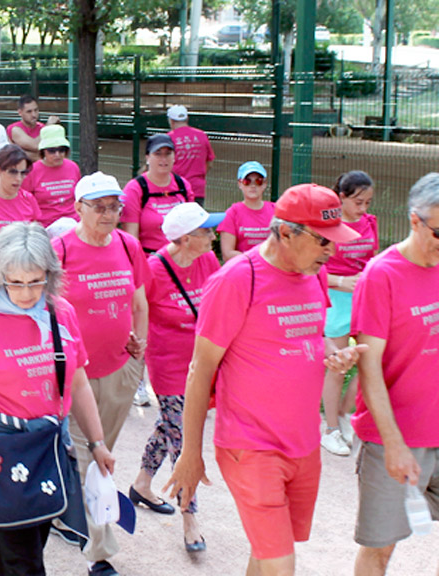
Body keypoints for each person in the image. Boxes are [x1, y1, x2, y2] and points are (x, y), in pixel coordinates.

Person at [165, 184, 366, 576]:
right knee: (281, 566)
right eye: (324, 241)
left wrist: (332, 355)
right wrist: (191, 454)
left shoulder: (314, 274)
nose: (332, 252)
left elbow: (311, 334)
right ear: (286, 232)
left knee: (268, 552)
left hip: (303, 444)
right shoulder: (237, 280)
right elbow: (199, 369)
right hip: (251, 446)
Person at [0, 221, 114, 573]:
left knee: (18, 556)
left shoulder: (61, 313)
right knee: (23, 562)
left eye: (35, 281)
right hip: (1, 452)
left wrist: (97, 443)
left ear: (50, 273)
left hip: (49, 449)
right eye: (15, 281)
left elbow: (77, 383)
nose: (27, 292)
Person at [51, 172, 149, 576]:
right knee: (90, 454)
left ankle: (61, 512)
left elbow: (140, 302)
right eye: (100, 206)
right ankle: (100, 549)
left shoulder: (129, 245)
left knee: (100, 450)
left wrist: (138, 347)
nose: (109, 214)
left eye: (115, 206)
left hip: (119, 369)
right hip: (75, 372)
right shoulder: (60, 249)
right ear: (78, 208)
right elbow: (44, 310)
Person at [350, 172, 439, 575]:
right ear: (414, 220)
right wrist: (394, 444)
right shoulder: (381, 276)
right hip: (398, 439)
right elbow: (369, 370)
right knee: (380, 550)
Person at [131, 202, 223, 553]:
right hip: (168, 365)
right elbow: (138, 312)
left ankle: (141, 483)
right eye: (206, 233)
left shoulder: (207, 260)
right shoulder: (153, 270)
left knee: (169, 427)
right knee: (183, 440)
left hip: (200, 361)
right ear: (185, 239)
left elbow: (215, 304)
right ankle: (189, 516)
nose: (213, 237)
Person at [321, 170, 378, 457]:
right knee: (337, 367)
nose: (363, 208)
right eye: (358, 202)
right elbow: (315, 267)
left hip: (364, 298)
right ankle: (330, 430)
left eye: (367, 202)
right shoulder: (328, 226)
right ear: (341, 197)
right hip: (336, 300)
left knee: (372, 359)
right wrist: (342, 282)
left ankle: (344, 413)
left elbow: (371, 260)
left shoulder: (370, 222)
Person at [121, 134, 194, 253]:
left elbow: (193, 227)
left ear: (174, 156)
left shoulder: (183, 185)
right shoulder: (135, 188)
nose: (163, 159)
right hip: (150, 258)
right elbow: (131, 238)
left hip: (182, 257)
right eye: (158, 154)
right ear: (147, 157)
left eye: (168, 153)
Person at [24, 125, 81, 226]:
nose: (57, 154)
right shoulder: (33, 171)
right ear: (43, 151)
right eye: (51, 150)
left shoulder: (73, 167)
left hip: (73, 222)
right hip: (45, 224)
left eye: (61, 149)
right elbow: (26, 202)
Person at [218, 161, 274, 261]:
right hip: (244, 269)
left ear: (264, 184)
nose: (253, 186)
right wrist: (257, 259)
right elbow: (227, 254)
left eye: (258, 181)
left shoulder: (276, 211)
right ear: (240, 184)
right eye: (247, 181)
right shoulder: (232, 213)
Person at [0, 144, 41, 229]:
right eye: (13, 172)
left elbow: (36, 234)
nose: (18, 178)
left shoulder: (28, 199)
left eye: (23, 173)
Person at [166, 105, 214, 205]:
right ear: (187, 119)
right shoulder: (201, 135)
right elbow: (209, 162)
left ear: (171, 121)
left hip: (176, 189)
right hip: (197, 188)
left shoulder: (169, 138)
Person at [7, 95, 59, 162]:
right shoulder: (15, 129)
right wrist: (49, 125)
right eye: (29, 111)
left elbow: (53, 153)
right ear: (20, 112)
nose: (34, 115)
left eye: (36, 110)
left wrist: (24, 153)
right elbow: (36, 145)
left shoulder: (42, 127)